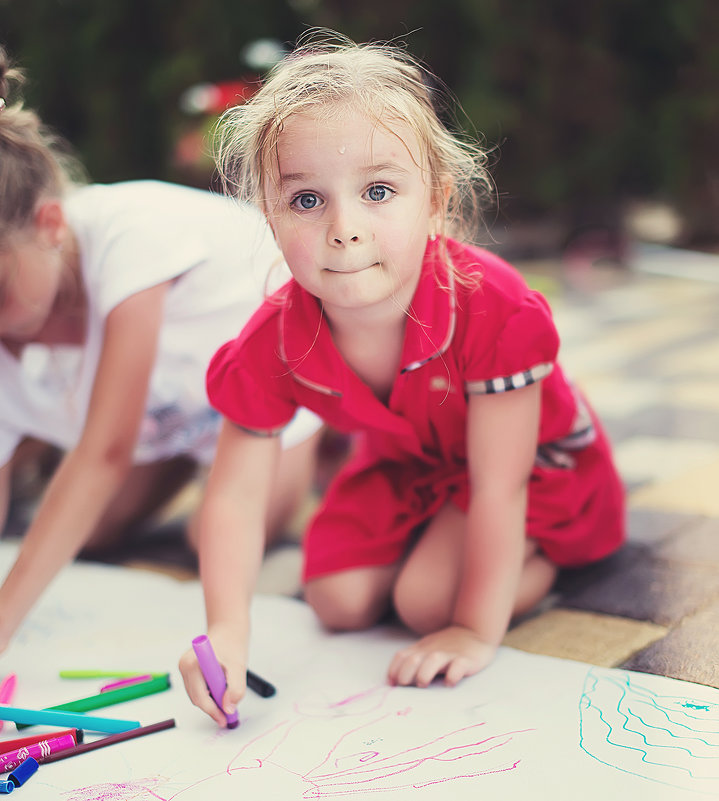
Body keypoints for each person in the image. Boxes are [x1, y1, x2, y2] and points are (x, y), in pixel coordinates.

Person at [179, 30, 626, 726]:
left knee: (425, 602)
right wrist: (227, 634)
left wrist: (475, 630)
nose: (343, 228)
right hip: (411, 463)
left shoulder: (491, 307)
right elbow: (235, 496)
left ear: (436, 201)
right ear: (267, 215)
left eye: (378, 190)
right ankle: (437, 553)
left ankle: (539, 566)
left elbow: (500, 485)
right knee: (336, 599)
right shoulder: (274, 337)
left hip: (529, 468)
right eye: (305, 201)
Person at [0, 47, 323, 654]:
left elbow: (105, 451)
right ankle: (186, 460)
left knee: (211, 539)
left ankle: (329, 443)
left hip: (268, 409)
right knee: (86, 531)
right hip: (173, 424)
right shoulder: (18, 310)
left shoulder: (130, 237)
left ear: (49, 224)